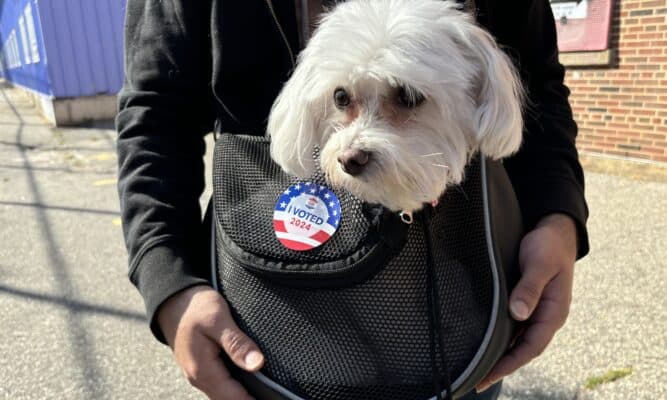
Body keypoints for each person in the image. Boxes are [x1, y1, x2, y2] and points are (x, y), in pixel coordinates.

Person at [116, 1, 590, 399]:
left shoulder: (479, 59)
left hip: (460, 300)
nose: (353, 146)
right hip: (270, 311)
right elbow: (156, 106)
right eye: (343, 100)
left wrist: (557, 217)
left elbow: (540, 84)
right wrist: (169, 280)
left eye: (405, 98)